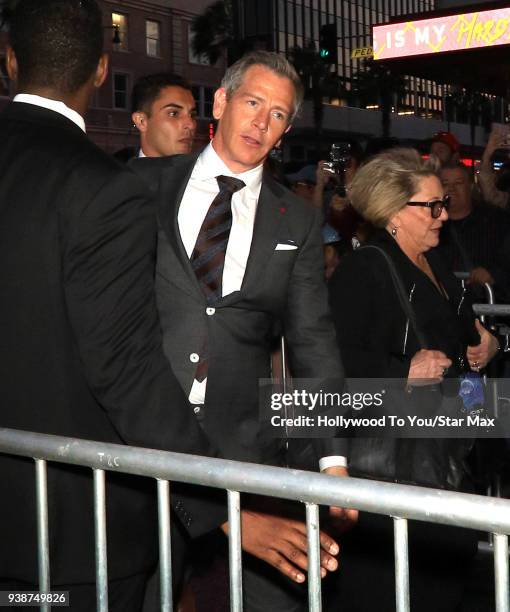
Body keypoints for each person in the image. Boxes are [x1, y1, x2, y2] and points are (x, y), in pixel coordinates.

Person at [0, 1, 227, 609]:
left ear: (10, 62)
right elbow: (123, 366)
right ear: (102, 71)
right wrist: (216, 498)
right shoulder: (102, 186)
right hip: (67, 532)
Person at [131, 50, 354, 611]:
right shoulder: (142, 184)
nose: (262, 122)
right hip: (140, 441)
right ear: (223, 102)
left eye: (278, 114)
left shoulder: (296, 219)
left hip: (243, 451)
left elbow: (312, 339)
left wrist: (333, 459)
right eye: (253, 103)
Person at [327, 148, 499, 611]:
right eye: (432, 206)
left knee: (444, 582)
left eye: (443, 203)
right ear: (393, 212)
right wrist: (403, 372)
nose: (443, 216)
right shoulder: (364, 270)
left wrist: (489, 345)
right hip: (393, 469)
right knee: (398, 590)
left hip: (448, 454)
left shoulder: (437, 264)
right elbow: (331, 361)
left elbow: (466, 337)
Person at [436, 161, 510, 299]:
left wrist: (494, 274)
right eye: (445, 184)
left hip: (489, 304)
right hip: (446, 306)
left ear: (470, 186)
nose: (451, 189)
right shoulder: (429, 224)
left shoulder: (497, 220)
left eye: (458, 183)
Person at [131, 72, 197, 158]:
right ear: (141, 121)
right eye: (173, 113)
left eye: (192, 115)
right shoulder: (117, 170)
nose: (191, 125)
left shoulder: (204, 170)